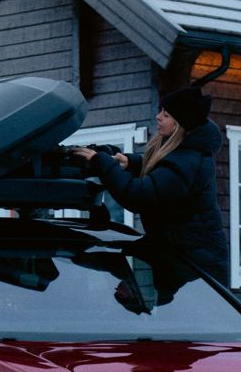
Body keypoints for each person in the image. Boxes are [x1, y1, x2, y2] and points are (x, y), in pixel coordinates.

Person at [70, 86, 228, 283]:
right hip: (183, 258)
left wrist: (102, 163)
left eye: (166, 114)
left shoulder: (187, 162)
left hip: (195, 269)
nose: (158, 117)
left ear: (180, 124)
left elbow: (137, 196)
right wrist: (132, 163)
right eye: (161, 110)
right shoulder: (186, 155)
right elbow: (163, 175)